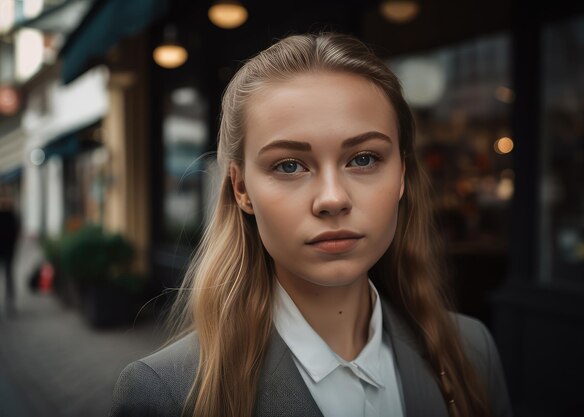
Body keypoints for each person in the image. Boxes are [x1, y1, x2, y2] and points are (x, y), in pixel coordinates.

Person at [111, 33, 512, 417]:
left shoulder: (472, 351)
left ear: (402, 175)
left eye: (364, 159)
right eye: (289, 165)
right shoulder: (166, 394)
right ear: (241, 188)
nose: (333, 198)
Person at [0, 184, 19, 317]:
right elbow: (17, 230)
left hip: (8, 248)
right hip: (9, 248)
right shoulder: (12, 212)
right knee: (9, 275)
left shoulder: (11, 213)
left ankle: (10, 302)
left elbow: (16, 230)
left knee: (8, 275)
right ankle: (10, 302)